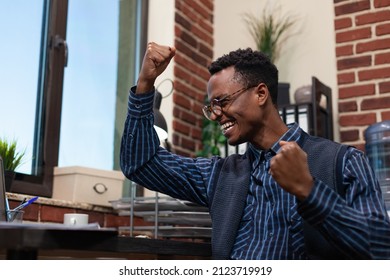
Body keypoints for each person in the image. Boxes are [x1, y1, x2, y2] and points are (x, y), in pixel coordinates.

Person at [120, 42, 390, 260]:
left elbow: (381, 251)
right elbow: (139, 163)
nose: (216, 115)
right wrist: (145, 84)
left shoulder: (344, 163)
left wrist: (309, 191)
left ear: (260, 94)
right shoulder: (219, 175)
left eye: (221, 102)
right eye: (211, 106)